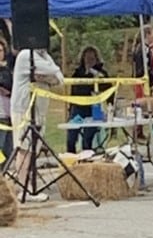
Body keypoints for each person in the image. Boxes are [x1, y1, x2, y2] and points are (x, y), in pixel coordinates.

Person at [9, 46, 64, 200]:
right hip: (24, 109)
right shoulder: (26, 55)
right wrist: (49, 76)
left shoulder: (45, 56)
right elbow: (53, 73)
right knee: (24, 149)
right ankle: (23, 189)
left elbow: (59, 78)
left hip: (40, 109)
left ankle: (30, 186)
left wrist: (47, 75)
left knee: (34, 150)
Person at [66, 45, 109, 153]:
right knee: (71, 137)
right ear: (83, 58)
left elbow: (107, 89)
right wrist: (70, 109)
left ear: (96, 59)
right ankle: (71, 158)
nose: (89, 61)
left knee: (87, 139)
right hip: (77, 109)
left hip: (93, 109)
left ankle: (87, 160)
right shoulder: (77, 73)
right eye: (87, 58)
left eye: (92, 58)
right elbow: (73, 92)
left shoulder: (101, 73)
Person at [0, 39, 12, 164]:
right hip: (0, 115)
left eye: (1, 51)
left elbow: (10, 86)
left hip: (9, 114)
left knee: (9, 151)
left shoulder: (7, 70)